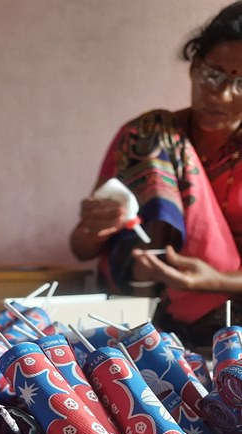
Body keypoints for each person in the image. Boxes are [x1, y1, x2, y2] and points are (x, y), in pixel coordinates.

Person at [70, 1, 242, 345]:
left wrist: (216, 280)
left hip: (230, 318)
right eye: (212, 75)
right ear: (194, 67)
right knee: (152, 127)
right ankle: (144, 336)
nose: (220, 95)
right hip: (141, 306)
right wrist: (93, 227)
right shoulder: (146, 140)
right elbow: (81, 248)